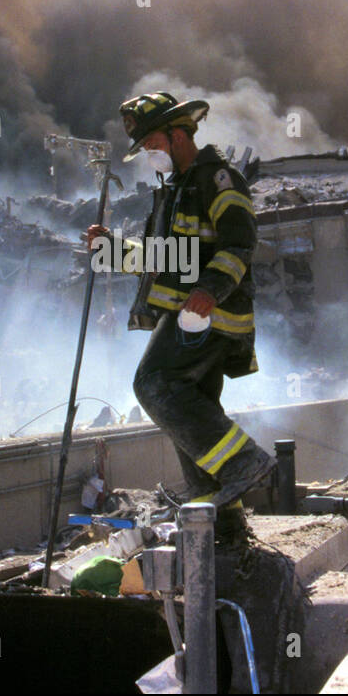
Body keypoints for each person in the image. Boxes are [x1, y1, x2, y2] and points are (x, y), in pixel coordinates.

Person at [84, 91, 275, 542]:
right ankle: (222, 525)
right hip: (189, 314)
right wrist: (109, 250)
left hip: (209, 317)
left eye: (151, 143)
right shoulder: (176, 191)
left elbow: (239, 242)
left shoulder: (217, 179)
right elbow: (169, 258)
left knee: (154, 383)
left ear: (177, 133)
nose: (149, 154)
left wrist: (210, 291)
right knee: (193, 415)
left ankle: (243, 462)